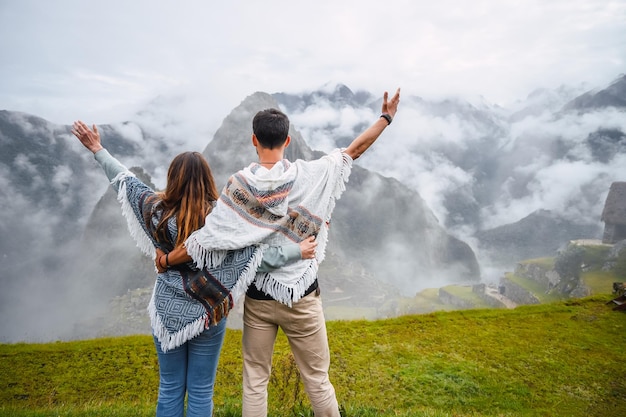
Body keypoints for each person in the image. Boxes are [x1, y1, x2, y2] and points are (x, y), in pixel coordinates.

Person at [162, 88, 401, 416]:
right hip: (303, 296)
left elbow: (205, 240)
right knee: (317, 378)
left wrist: (165, 260)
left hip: (260, 300)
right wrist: (385, 118)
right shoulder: (309, 175)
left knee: (255, 380)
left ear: (253, 140)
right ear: (287, 141)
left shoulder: (239, 187)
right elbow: (353, 151)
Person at [71, 121, 317, 417]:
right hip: (209, 311)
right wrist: (296, 251)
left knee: (170, 388)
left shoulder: (156, 212)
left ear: (172, 178)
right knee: (201, 391)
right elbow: (253, 259)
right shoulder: (220, 222)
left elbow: (124, 180)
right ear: (207, 179)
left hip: (166, 312)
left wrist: (97, 148)